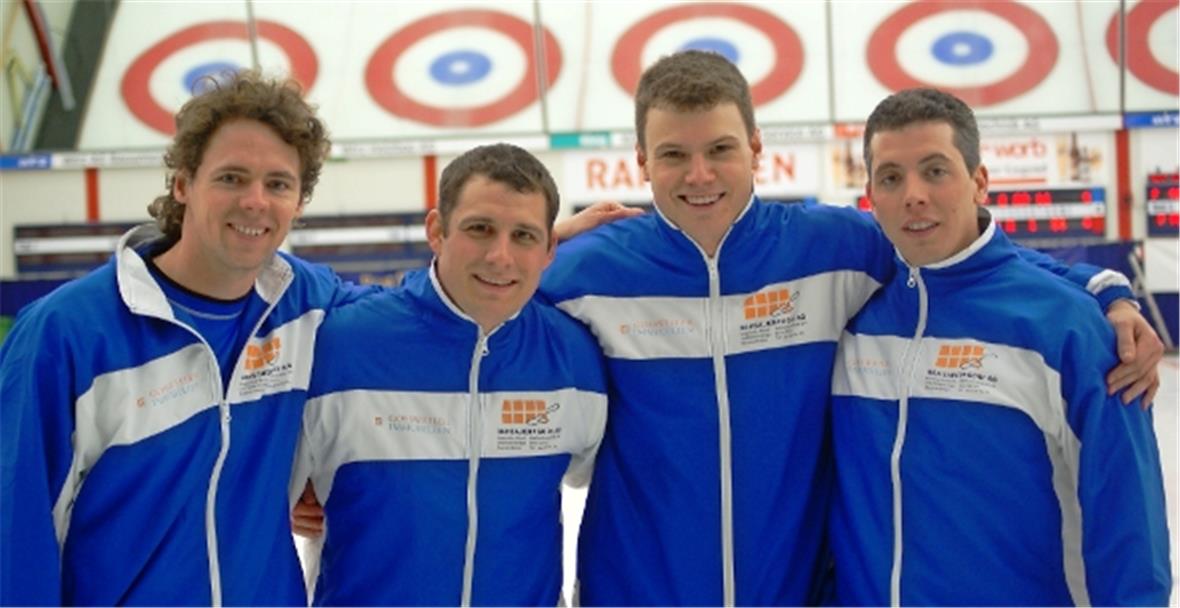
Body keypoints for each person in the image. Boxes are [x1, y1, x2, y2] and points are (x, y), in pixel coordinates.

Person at [539, 50, 1163, 605]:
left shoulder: (829, 248)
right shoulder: (589, 270)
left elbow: (959, 253)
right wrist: (531, 249)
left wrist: (1102, 289)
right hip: (632, 590)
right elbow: (471, 297)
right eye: (675, 154)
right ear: (643, 161)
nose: (699, 174)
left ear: (756, 148)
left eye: (721, 150)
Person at [0, 70, 369, 605]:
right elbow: (16, 536)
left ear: (298, 202)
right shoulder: (64, 335)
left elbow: (423, 322)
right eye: (231, 178)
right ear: (183, 183)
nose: (255, 201)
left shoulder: (305, 304)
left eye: (278, 184)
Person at [829, 88, 1171, 605]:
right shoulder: (853, 311)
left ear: (979, 182)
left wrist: (1110, 293)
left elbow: (1129, 524)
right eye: (891, 178)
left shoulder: (1070, 328)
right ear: (871, 196)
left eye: (936, 170)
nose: (913, 194)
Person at [290, 143, 608, 605]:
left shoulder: (576, 358)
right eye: (480, 229)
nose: (500, 256)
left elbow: (610, 484)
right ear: (437, 230)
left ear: (549, 248)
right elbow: (256, 496)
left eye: (523, 236)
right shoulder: (343, 345)